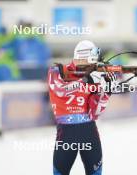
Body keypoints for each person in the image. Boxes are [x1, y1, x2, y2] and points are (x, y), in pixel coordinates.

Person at [48, 40, 117, 175]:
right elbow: (60, 90)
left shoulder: (94, 76)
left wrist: (107, 92)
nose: (93, 65)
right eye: (91, 62)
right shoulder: (57, 71)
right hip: (66, 133)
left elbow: (95, 113)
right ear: (82, 57)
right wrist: (84, 80)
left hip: (89, 131)